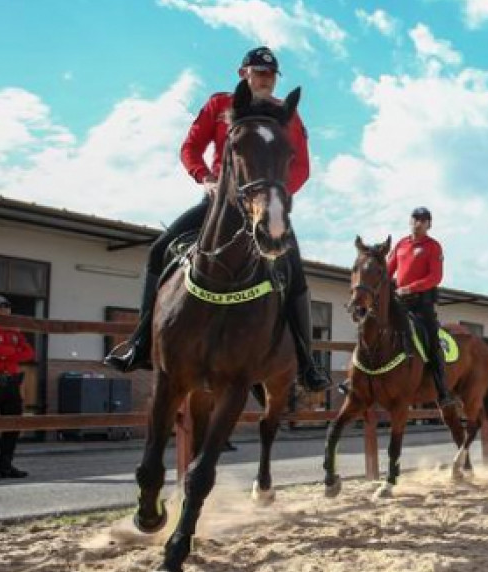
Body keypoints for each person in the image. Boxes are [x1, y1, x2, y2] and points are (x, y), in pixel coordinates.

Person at [104, 46, 330, 392]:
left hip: (264, 207)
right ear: (243, 74)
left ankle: (307, 362)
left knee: (295, 271)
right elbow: (190, 147)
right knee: (158, 250)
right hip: (218, 205)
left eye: (271, 75)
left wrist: (271, 197)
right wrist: (204, 178)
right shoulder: (219, 104)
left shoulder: (287, 115)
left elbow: (301, 167)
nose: (266, 79)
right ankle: (140, 342)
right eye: (259, 72)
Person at [387, 206, 457, 407]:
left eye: (423, 220)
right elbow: (387, 270)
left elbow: (435, 277)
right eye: (415, 219)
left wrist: (410, 288)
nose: (418, 223)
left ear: (429, 225)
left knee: (432, 342)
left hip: (421, 305)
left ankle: (442, 391)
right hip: (399, 303)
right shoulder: (401, 244)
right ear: (410, 221)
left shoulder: (433, 247)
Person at [0, 296, 33, 479]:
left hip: (11, 381)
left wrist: (6, 353)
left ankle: (5, 465)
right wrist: (12, 352)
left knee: (13, 423)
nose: (5, 310)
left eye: (7, 307)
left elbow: (29, 353)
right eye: (0, 307)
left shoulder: (14, 331)